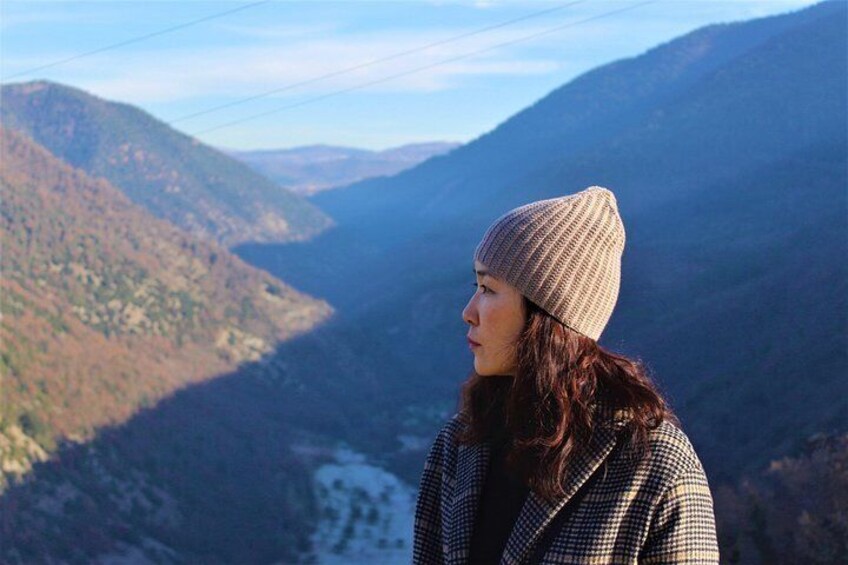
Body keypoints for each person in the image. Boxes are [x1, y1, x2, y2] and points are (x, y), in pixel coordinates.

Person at [412, 186, 720, 564]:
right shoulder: (461, 443)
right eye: (475, 286)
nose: (468, 311)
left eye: (488, 288)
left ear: (548, 315)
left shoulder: (655, 464)